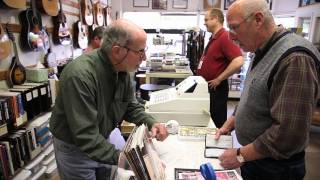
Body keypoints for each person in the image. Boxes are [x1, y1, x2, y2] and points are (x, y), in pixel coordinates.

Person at [49, 19, 168, 180]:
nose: (144, 57)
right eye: (140, 51)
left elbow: (129, 105)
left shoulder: (122, 68)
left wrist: (151, 122)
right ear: (117, 50)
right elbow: (86, 136)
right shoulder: (80, 75)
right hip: (75, 149)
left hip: (102, 140)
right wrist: (128, 160)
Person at [216, 0, 320, 179]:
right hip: (256, 159)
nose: (231, 36)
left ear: (257, 19)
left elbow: (288, 135)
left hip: (275, 168)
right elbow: (254, 94)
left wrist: (241, 155)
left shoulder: (295, 58)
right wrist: (232, 122)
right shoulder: (261, 49)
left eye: (234, 28)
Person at [197, 8, 244, 128]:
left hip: (216, 88)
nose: (204, 23)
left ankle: (218, 145)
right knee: (207, 121)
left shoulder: (225, 36)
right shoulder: (214, 37)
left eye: (206, 19)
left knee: (216, 123)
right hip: (208, 88)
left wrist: (219, 78)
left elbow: (238, 60)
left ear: (216, 19)